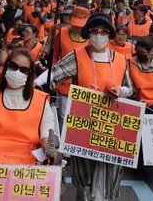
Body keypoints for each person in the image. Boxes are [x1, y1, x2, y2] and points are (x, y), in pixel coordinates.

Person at [40, 12, 133, 201]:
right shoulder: (77, 56)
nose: (99, 35)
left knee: (106, 168)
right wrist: (32, 84)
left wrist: (120, 91)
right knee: (83, 167)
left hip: (111, 123)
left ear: (109, 34)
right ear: (88, 34)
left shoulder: (121, 59)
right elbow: (55, 73)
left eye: (103, 31)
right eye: (95, 31)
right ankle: (82, 190)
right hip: (84, 121)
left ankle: (100, 196)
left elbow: (129, 88)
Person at [50, 6, 89, 127]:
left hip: (85, 82)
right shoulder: (61, 33)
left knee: (81, 116)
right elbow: (55, 54)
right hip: (64, 81)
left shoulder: (91, 37)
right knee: (64, 115)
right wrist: (53, 74)